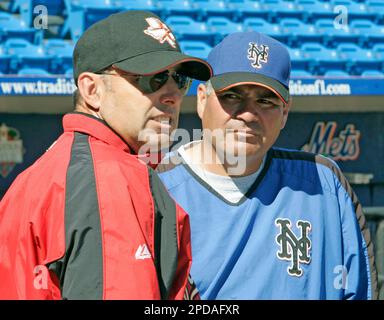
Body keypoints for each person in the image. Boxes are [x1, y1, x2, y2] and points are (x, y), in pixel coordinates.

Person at [0, 10, 211, 299]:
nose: (172, 94)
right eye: (153, 78)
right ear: (92, 90)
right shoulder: (109, 177)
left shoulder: (37, 175)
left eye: (180, 80)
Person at [157, 31, 378, 299]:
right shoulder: (157, 189)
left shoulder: (324, 184)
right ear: (202, 99)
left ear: (285, 112)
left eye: (265, 100)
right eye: (232, 95)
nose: (249, 113)